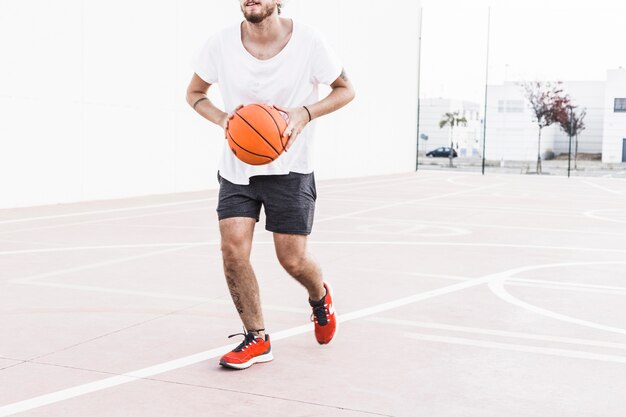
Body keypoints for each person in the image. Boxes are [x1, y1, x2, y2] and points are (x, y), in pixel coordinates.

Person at [186, 0, 355, 370]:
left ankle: (319, 296)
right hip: (237, 168)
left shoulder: (309, 41)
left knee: (291, 260)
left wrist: (305, 113)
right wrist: (223, 120)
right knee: (232, 250)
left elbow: (346, 89)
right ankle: (257, 337)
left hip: (292, 168)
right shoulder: (220, 43)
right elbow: (195, 93)